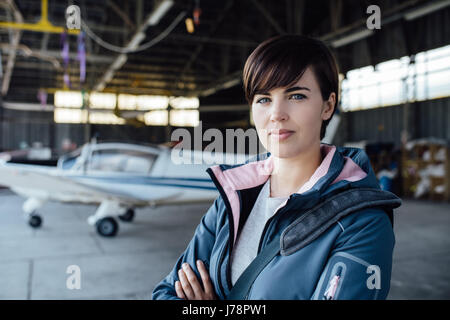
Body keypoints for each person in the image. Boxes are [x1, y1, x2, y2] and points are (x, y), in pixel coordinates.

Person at [152, 34, 401, 300]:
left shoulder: (362, 222)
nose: (276, 113)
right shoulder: (233, 197)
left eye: (296, 96)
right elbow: (166, 292)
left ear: (328, 106)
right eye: (263, 99)